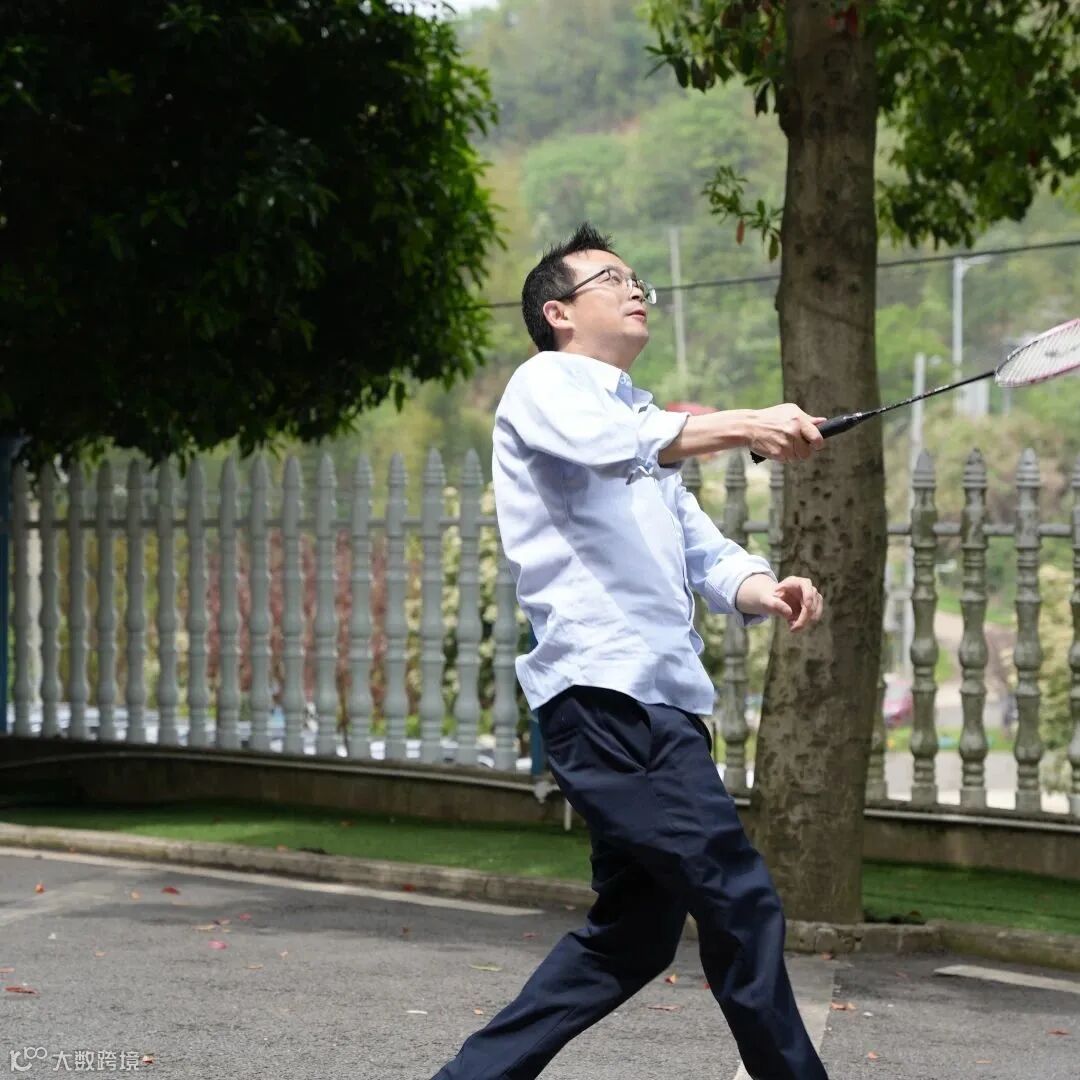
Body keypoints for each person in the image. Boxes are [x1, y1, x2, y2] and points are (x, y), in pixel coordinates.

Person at [430, 223, 829, 1080]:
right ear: (559, 313)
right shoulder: (547, 385)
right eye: (612, 279)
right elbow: (616, 445)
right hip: (607, 699)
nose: (635, 288)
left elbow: (703, 549)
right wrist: (748, 423)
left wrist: (765, 587)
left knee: (633, 937)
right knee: (739, 899)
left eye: (637, 278)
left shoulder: (638, 424)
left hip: (661, 706)